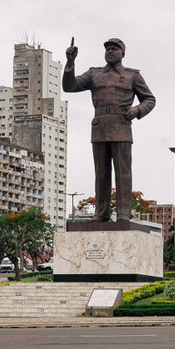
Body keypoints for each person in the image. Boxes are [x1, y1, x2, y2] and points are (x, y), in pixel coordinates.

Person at [63, 37, 156, 222]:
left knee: (123, 174)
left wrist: (137, 110)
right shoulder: (94, 74)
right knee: (101, 174)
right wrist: (70, 62)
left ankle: (123, 213)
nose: (110, 51)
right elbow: (69, 86)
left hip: (121, 126)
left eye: (115, 49)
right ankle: (102, 212)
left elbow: (150, 99)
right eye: (107, 49)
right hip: (99, 128)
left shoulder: (132, 76)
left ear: (123, 53)